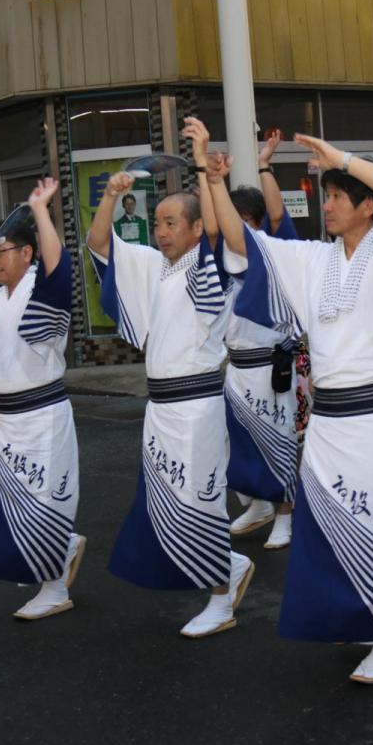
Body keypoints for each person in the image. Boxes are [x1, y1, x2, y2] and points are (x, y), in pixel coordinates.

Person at [209, 133, 373, 685]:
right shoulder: (314, 259)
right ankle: (356, 620)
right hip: (330, 418)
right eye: (325, 193)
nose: (325, 204)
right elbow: (243, 241)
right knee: (332, 528)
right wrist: (211, 178)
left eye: (337, 194)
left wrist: (344, 158)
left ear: (367, 205)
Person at [86, 162, 254, 640]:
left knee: (199, 500)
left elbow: (221, 235)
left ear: (197, 228)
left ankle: (221, 598)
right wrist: (110, 198)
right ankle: (231, 564)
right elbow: (99, 245)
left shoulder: (210, 265)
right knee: (168, 501)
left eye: (170, 223)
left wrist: (204, 169)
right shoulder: (156, 267)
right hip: (160, 406)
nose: (160, 232)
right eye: (157, 223)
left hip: (196, 404)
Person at [0, 178, 87, 620]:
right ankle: (60, 548)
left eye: (2, 251)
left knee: (46, 498)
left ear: (26, 254)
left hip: (44, 412)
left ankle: (55, 585)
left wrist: (40, 210)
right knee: (11, 502)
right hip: (3, 418)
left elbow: (57, 265)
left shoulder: (39, 289)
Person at [184, 118, 299, 551]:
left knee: (279, 440)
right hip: (236, 367)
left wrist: (265, 165)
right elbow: (213, 228)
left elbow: (276, 215)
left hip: (271, 367)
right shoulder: (222, 254)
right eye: (240, 219)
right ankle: (257, 504)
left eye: (249, 220)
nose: (243, 227)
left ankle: (285, 511)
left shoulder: (274, 253)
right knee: (237, 444)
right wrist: (204, 169)